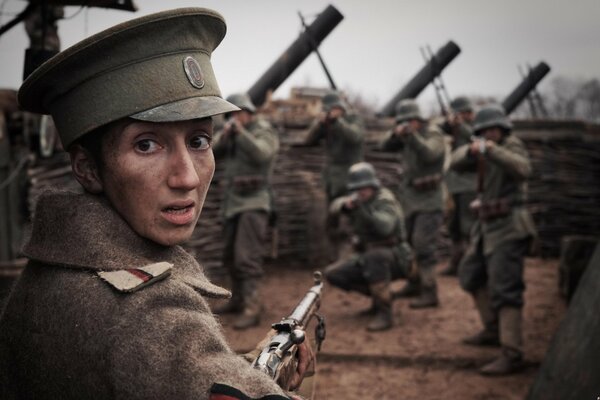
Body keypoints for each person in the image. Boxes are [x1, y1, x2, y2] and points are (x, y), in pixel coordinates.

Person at [0, 8, 311, 399]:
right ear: (87, 168)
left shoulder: (43, 280)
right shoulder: (148, 311)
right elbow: (152, 346)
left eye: (199, 140)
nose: (188, 177)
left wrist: (246, 373)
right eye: (146, 144)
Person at [450, 104, 537, 375]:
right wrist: (472, 150)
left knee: (505, 288)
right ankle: (492, 329)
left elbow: (523, 169)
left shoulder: (512, 146)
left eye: (493, 129)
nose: (489, 133)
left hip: (509, 226)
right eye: (484, 131)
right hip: (486, 227)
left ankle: (512, 352)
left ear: (503, 128)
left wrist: (492, 150)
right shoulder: (483, 150)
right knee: (469, 275)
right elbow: (455, 161)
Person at [211, 92, 279, 330]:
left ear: (249, 113)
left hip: (255, 202)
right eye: (232, 114)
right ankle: (238, 300)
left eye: (240, 113)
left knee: (246, 257)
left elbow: (263, 154)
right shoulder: (231, 134)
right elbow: (211, 152)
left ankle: (253, 307)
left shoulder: (263, 130)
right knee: (229, 255)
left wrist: (241, 134)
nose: (236, 118)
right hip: (232, 202)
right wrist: (226, 135)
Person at [324, 162, 412, 331]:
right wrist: (345, 205)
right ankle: (379, 298)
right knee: (334, 274)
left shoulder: (384, 200)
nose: (360, 192)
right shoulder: (357, 200)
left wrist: (362, 209)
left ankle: (385, 313)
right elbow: (335, 206)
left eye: (364, 188)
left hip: (396, 256)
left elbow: (384, 228)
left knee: (375, 257)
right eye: (356, 188)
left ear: (373, 185)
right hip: (367, 254)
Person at [380, 99, 445, 308]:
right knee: (408, 244)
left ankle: (430, 290)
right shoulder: (406, 137)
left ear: (418, 120)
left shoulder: (432, 133)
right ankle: (414, 283)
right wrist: (396, 134)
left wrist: (412, 137)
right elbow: (383, 146)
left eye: (410, 121)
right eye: (403, 122)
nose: (407, 125)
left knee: (424, 245)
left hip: (430, 200)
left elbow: (431, 154)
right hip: (409, 201)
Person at [440, 96, 477, 276]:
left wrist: (460, 126)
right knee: (453, 228)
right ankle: (456, 262)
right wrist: (449, 122)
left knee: (468, 227)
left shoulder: (476, 128)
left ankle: (471, 266)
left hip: (469, 185)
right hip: (452, 186)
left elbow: (474, 139)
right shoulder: (451, 128)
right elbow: (438, 129)